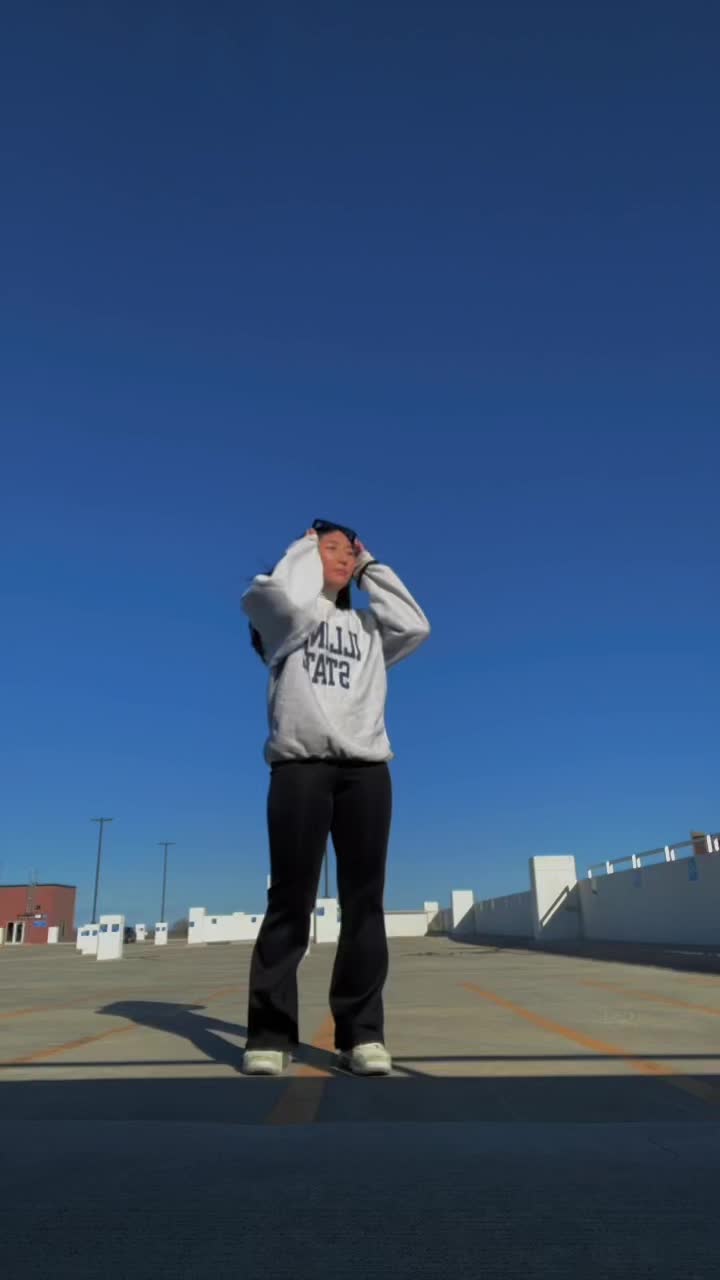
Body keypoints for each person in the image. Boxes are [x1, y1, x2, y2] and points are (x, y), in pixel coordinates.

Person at [240, 518, 430, 1076]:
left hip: (366, 770)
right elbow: (278, 595)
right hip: (300, 767)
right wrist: (305, 547)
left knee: (365, 904)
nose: (345, 557)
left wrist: (370, 567)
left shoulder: (369, 629)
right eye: (332, 548)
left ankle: (361, 1035)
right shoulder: (284, 621)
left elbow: (415, 625)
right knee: (290, 900)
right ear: (304, 551)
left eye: (351, 551)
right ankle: (270, 1035)